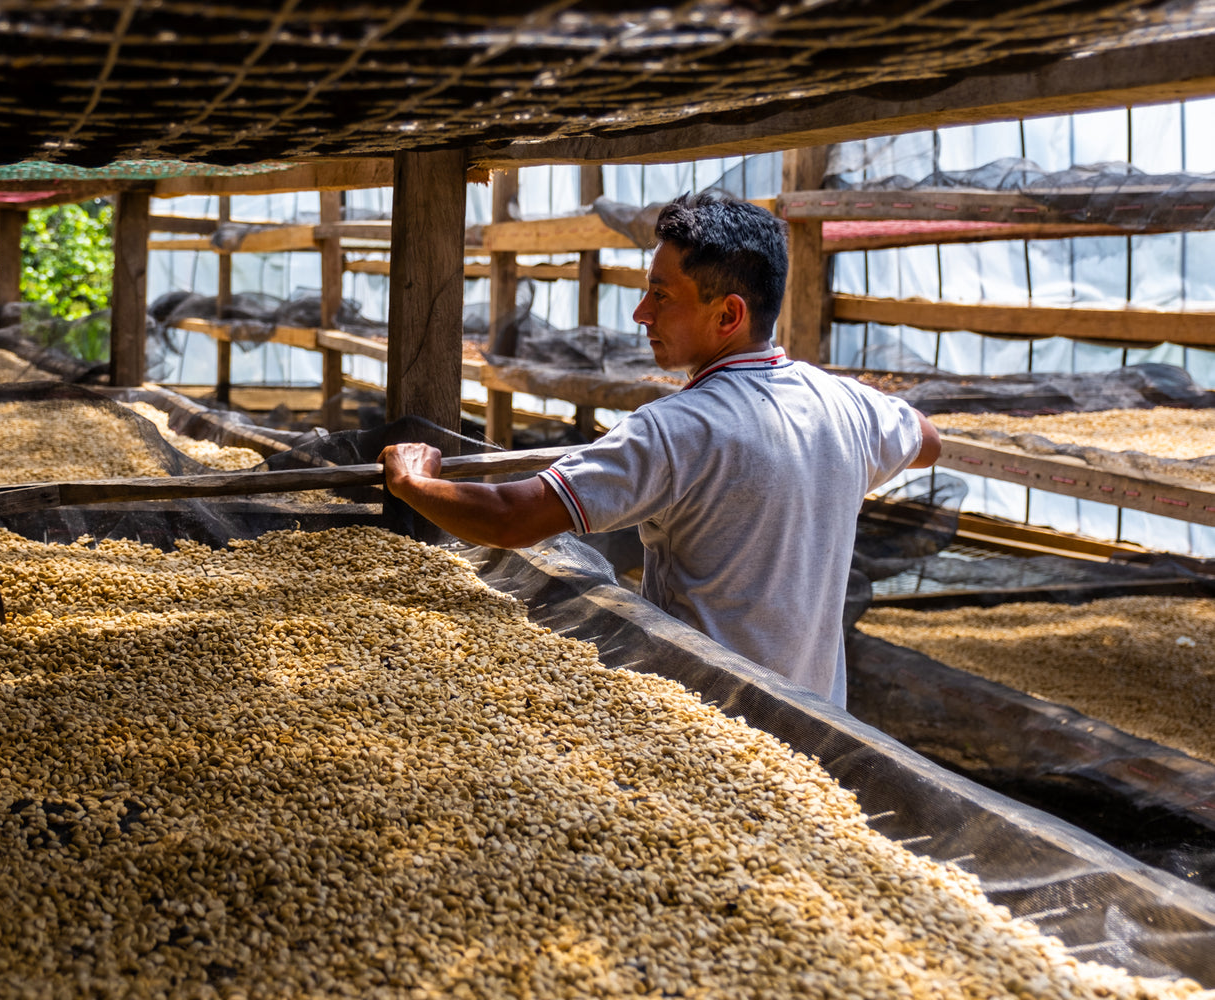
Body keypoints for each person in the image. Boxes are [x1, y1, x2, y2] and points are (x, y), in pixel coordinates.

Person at [380, 192, 940, 706]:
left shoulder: (678, 429)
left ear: (728, 315)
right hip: (817, 723)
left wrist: (414, 482)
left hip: (707, 718)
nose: (641, 312)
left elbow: (512, 516)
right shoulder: (847, 404)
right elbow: (928, 439)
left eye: (662, 295)